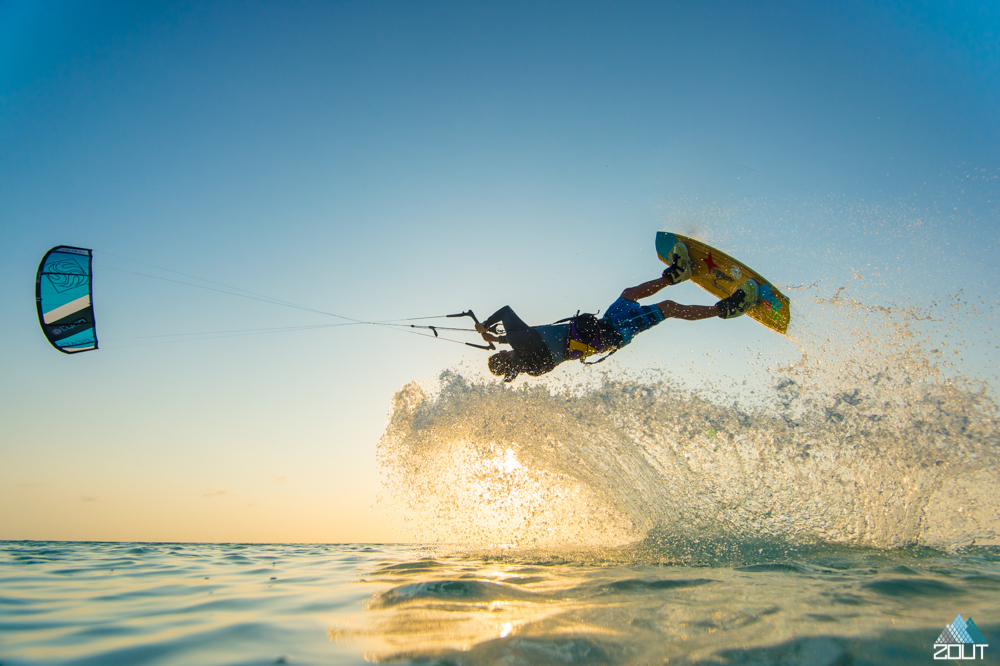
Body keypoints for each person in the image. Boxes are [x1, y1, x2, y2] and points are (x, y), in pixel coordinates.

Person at [475, 241, 759, 382]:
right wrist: (484, 326)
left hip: (606, 328)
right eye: (502, 352)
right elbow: (506, 311)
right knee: (669, 309)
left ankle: (676, 275)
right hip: (611, 331)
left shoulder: (531, 365)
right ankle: (729, 308)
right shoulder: (523, 346)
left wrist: (497, 339)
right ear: (504, 356)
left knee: (628, 294)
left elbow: (524, 346)